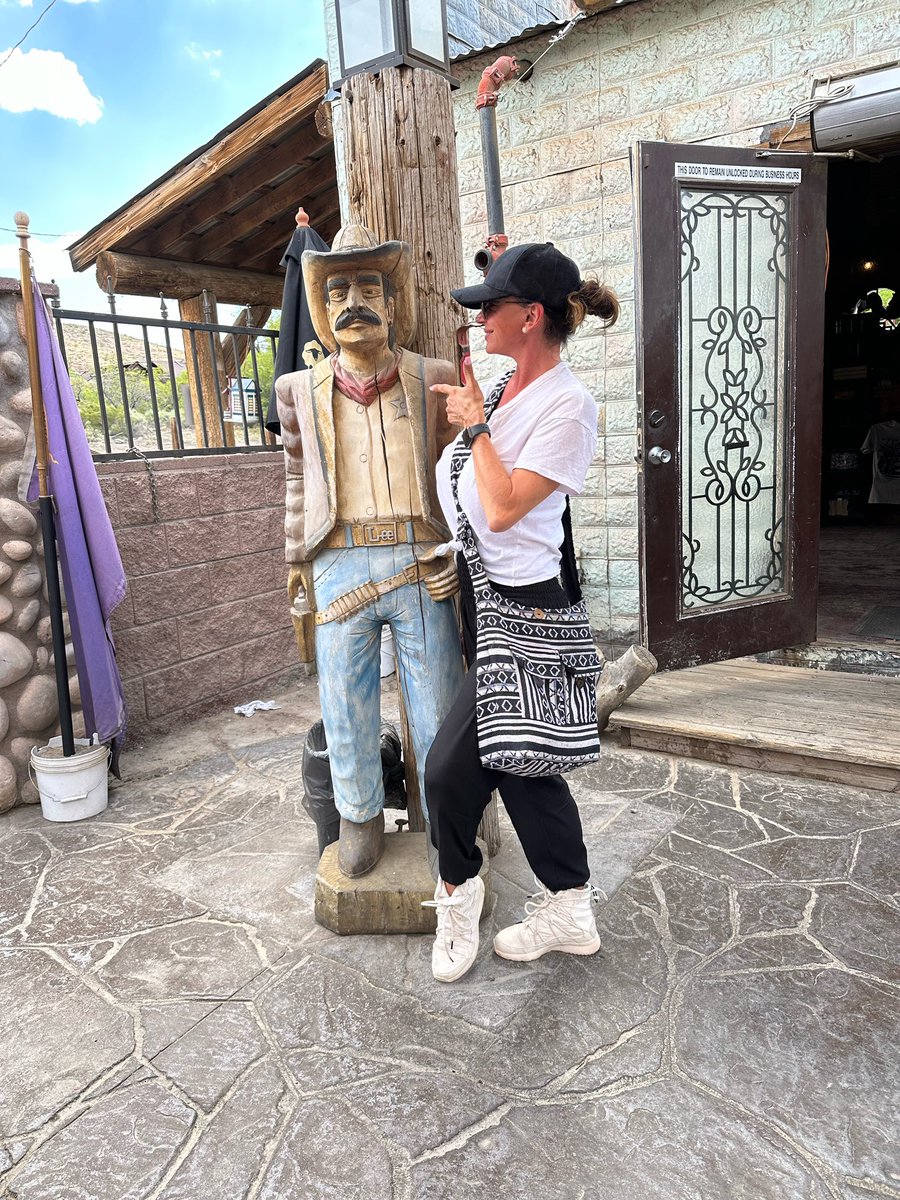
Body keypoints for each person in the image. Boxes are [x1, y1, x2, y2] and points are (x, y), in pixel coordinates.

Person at [424, 242, 619, 983]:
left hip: (525, 608)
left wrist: (474, 427)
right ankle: (570, 911)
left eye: (489, 307)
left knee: (449, 769)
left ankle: (458, 889)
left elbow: (504, 507)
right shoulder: (510, 389)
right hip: (485, 597)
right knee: (524, 763)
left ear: (530, 318)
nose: (476, 319)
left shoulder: (569, 407)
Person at [275, 223, 464, 879]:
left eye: (368, 287)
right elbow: (297, 476)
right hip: (339, 562)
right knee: (346, 706)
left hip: (420, 561)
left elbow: (456, 471)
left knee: (438, 707)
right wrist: (297, 556)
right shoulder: (299, 390)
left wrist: (456, 551)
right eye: (337, 291)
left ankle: (450, 825)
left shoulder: (432, 379)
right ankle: (358, 823)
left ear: (392, 300)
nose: (352, 302)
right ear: (322, 308)